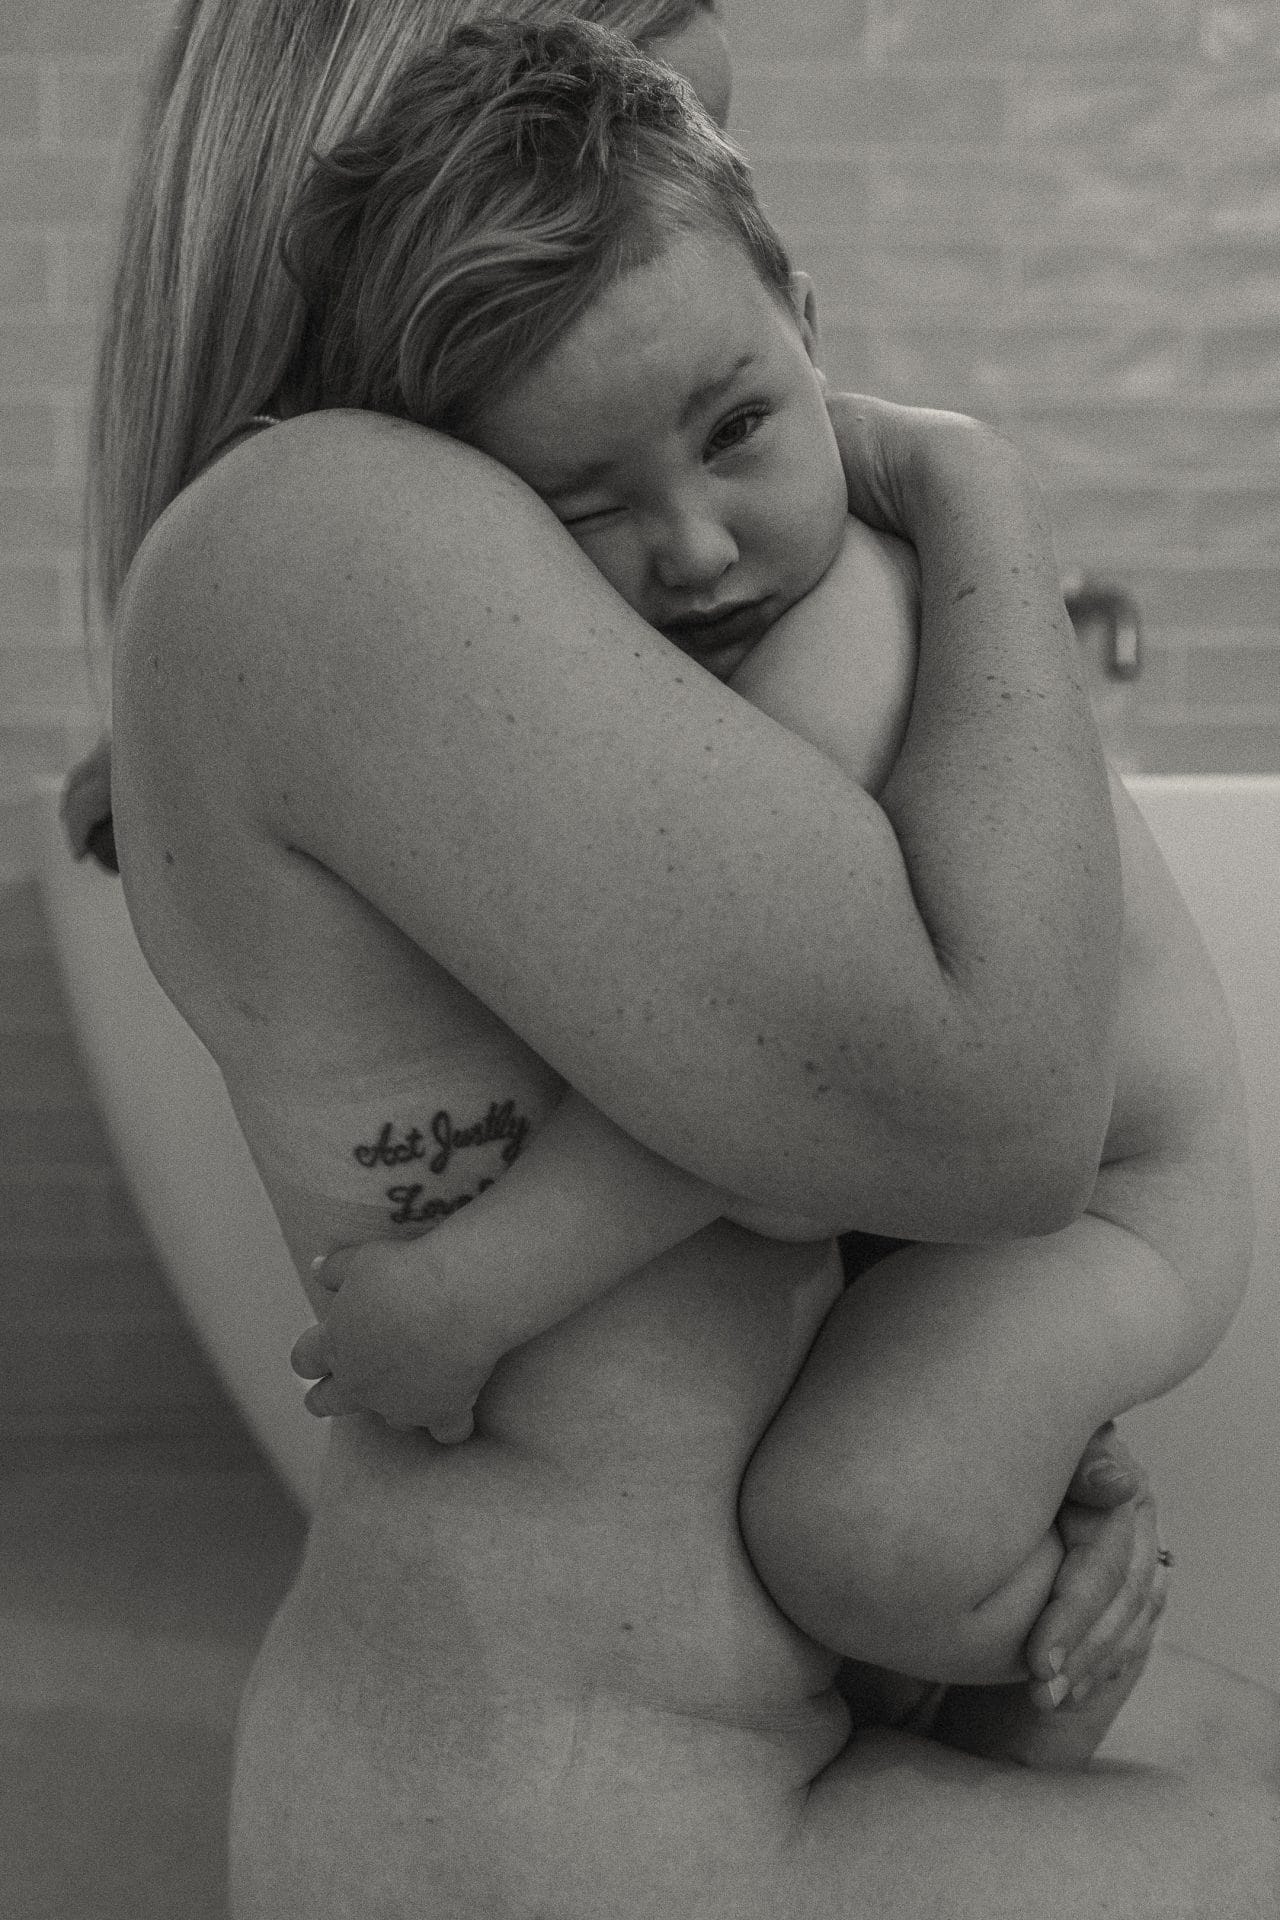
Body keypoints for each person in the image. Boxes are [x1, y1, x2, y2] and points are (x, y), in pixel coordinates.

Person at [81, 0, 1278, 1913]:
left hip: (657, 1771)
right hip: (594, 1821)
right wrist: (977, 486)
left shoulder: (330, 545)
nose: (698, 543)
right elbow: (1001, 1103)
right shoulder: (341, 527)